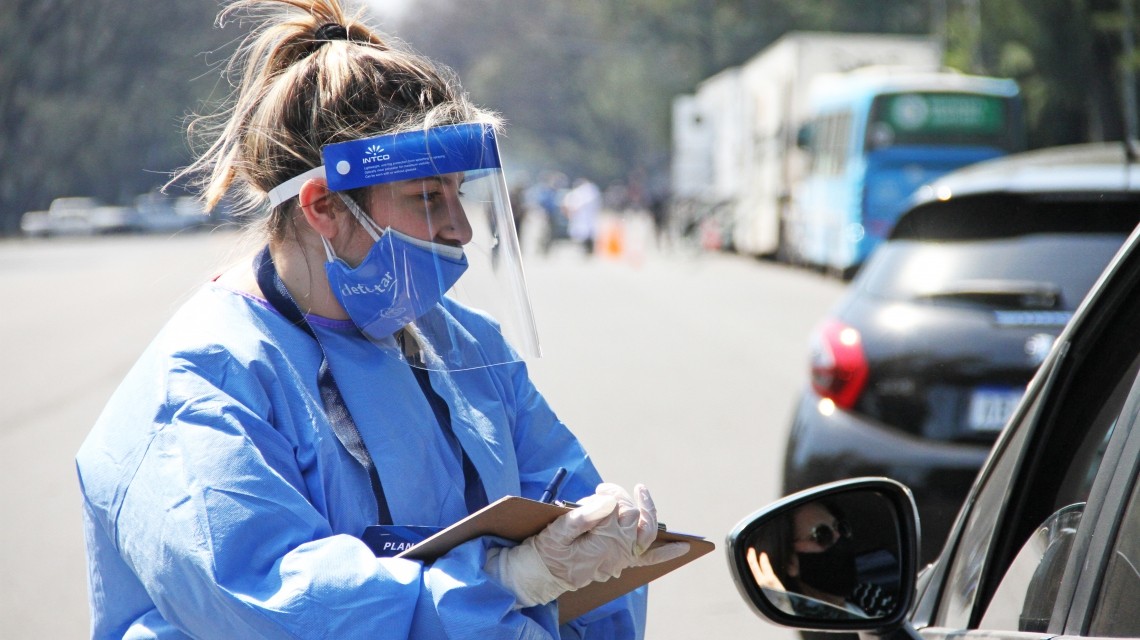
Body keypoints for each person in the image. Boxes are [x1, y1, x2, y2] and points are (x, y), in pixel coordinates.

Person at [74, 1, 687, 638]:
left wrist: (599, 531)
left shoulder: (463, 341)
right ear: (323, 207)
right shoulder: (202, 385)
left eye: (459, 192)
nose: (461, 228)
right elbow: (274, 606)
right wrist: (507, 581)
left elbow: (561, 501)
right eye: (427, 198)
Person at [745, 501, 895, 621]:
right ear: (791, 562)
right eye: (822, 535)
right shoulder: (795, 619)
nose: (839, 539)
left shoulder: (870, 597)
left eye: (841, 528)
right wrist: (781, 606)